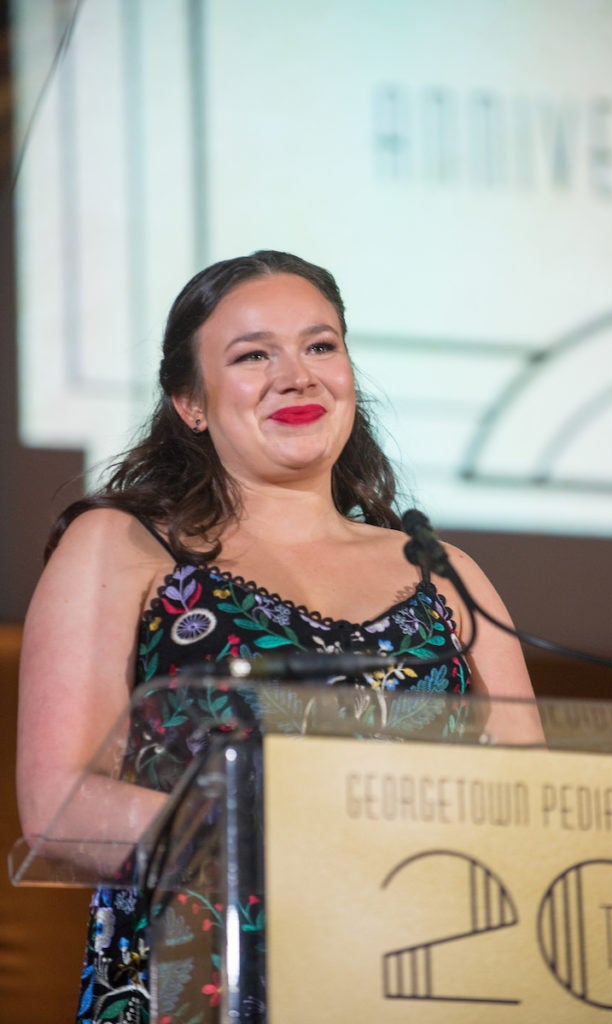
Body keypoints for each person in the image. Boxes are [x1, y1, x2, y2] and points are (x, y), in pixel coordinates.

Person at [17, 250, 540, 1023]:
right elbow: (57, 802)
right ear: (190, 402)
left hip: (412, 979)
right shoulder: (123, 546)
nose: (297, 375)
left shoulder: (445, 573)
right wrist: (282, 843)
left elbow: (534, 808)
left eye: (320, 346)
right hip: (199, 982)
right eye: (253, 355)